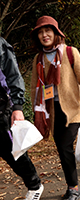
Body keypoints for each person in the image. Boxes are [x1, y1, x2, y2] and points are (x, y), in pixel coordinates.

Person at [30, 16, 80, 200]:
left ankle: (73, 187)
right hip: (52, 111)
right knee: (62, 148)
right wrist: (37, 112)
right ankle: (71, 184)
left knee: (65, 146)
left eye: (48, 31)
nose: (44, 35)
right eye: (40, 32)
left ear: (56, 33)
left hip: (73, 109)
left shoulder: (71, 52)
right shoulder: (38, 58)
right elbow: (34, 86)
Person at [0, 37, 44, 200]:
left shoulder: (1, 45)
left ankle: (34, 185)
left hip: (2, 109)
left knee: (12, 152)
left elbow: (13, 75)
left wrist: (17, 108)